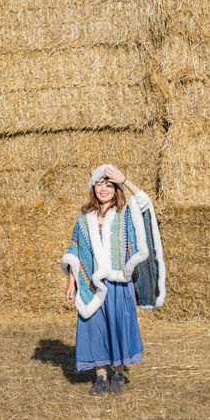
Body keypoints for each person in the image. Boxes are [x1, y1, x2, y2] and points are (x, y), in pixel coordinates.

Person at [61, 163, 165, 396]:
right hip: (90, 284)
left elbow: (145, 202)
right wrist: (71, 283)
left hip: (118, 283)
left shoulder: (125, 212)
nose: (104, 188)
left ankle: (118, 374)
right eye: (100, 183)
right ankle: (100, 376)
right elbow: (75, 250)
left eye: (109, 184)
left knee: (118, 327)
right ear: (93, 187)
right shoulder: (84, 216)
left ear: (116, 188)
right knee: (93, 328)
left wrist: (125, 179)